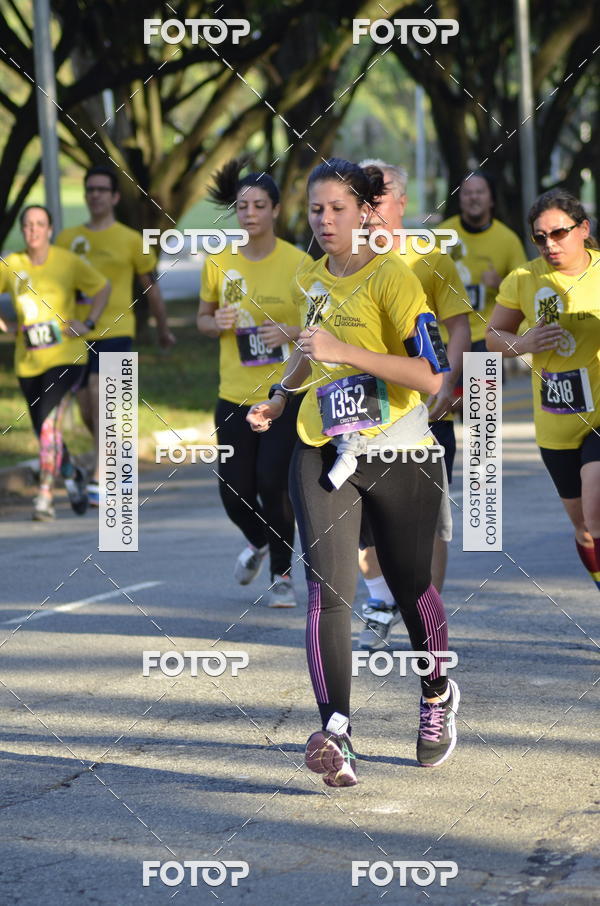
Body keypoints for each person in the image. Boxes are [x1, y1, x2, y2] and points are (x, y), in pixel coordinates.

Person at [247, 158, 460, 782]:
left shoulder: (395, 278)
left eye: (338, 208)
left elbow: (431, 377)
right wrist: (280, 396)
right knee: (328, 590)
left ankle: (437, 694)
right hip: (323, 446)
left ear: (365, 212)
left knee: (410, 587)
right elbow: (309, 354)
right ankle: (336, 730)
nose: (325, 220)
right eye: (316, 210)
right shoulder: (311, 277)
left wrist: (346, 351)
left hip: (399, 450)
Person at [355, 159, 471, 650]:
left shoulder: (430, 257)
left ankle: (428, 616)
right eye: (361, 201)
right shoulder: (342, 260)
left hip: (423, 409)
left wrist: (447, 384)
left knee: (426, 520)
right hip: (361, 408)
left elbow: (459, 326)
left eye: (377, 199)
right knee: (359, 519)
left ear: (402, 202)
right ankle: (381, 600)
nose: (369, 210)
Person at [197, 158, 305, 607]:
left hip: (281, 394)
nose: (250, 214)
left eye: (259, 205)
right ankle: (259, 541)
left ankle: (282, 574)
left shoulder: (299, 263)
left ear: (275, 210)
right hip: (233, 395)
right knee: (233, 489)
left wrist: (288, 332)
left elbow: (319, 330)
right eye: (243, 206)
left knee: (273, 484)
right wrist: (215, 322)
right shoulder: (219, 263)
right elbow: (203, 320)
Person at [487, 188, 600, 590]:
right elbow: (493, 337)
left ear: (583, 229)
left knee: (596, 508)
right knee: (584, 528)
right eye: (540, 237)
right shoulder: (524, 279)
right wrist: (524, 342)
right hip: (556, 418)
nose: (550, 244)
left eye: (559, 233)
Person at [55, 165, 175, 506]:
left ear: (115, 197)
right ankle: (117, 458)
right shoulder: (67, 240)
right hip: (78, 334)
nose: (95, 195)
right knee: (86, 409)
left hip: (117, 330)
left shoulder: (131, 240)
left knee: (100, 397)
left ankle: (100, 476)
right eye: (90, 189)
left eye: (102, 190)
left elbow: (151, 289)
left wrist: (163, 329)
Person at [0, 205, 109, 520]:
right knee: (44, 431)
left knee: (49, 425)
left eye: (40, 224)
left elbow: (102, 287)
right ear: (22, 230)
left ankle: (44, 496)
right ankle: (72, 471)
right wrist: (5, 324)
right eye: (28, 224)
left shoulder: (67, 261)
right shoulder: (12, 264)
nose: (33, 230)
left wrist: (89, 323)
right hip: (28, 361)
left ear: (49, 229)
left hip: (66, 357)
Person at [439, 172, 526, 388]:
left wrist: (500, 284)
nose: (473, 198)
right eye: (467, 193)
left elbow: (524, 291)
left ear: (492, 199)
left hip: (484, 339)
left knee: (483, 408)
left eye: (480, 192)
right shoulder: (441, 235)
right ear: (460, 199)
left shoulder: (507, 240)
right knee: (441, 405)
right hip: (444, 338)